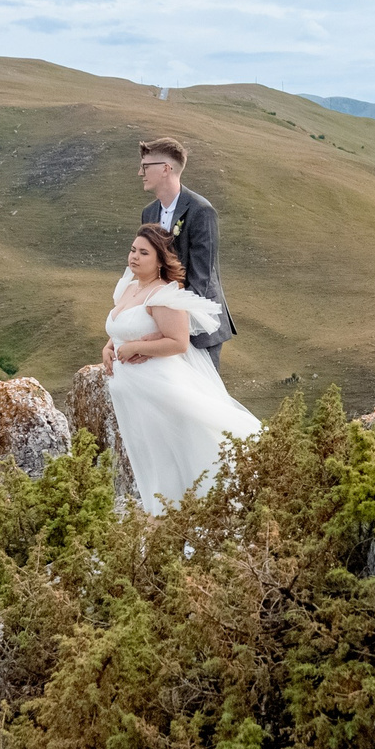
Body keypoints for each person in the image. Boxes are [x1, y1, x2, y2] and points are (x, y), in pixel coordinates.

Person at [102, 224, 261, 510]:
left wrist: (137, 347)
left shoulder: (164, 295)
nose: (134, 257)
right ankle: (159, 509)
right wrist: (109, 346)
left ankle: (177, 511)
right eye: (133, 250)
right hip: (131, 393)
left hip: (158, 387)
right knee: (145, 452)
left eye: (144, 253)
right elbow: (124, 326)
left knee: (169, 450)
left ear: (160, 260)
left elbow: (178, 342)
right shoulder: (127, 287)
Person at [137, 137, 234, 372]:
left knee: (202, 393)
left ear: (165, 169)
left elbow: (201, 278)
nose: (140, 173)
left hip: (200, 325)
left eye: (146, 167)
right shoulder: (148, 212)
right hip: (164, 321)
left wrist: (172, 327)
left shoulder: (201, 211)